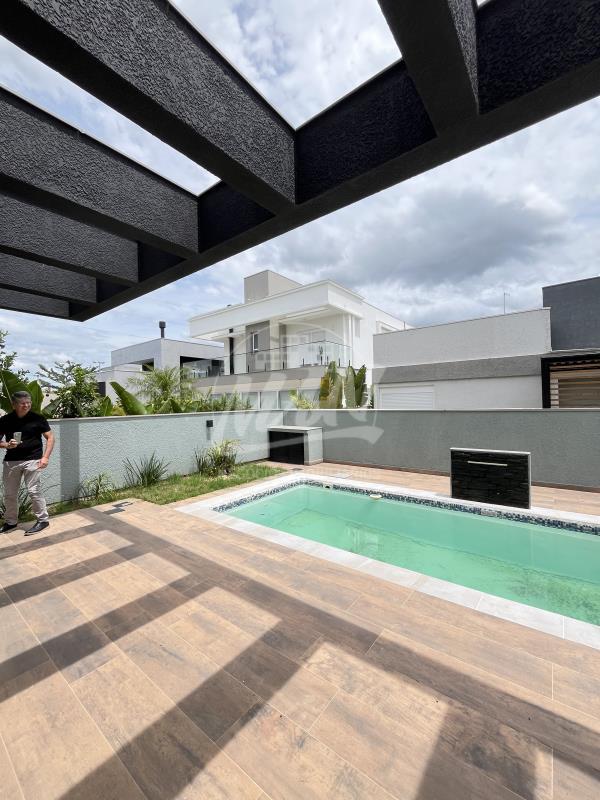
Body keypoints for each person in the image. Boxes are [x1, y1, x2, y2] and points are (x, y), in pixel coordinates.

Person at [0, 390, 54, 535]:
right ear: (13, 405)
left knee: (34, 491)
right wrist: (7, 445)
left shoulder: (38, 418)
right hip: (11, 461)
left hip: (33, 459)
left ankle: (43, 520)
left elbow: (50, 437)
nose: (26, 405)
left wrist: (45, 457)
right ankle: (11, 522)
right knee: (10, 494)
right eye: (22, 403)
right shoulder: (5, 420)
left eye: (28, 403)